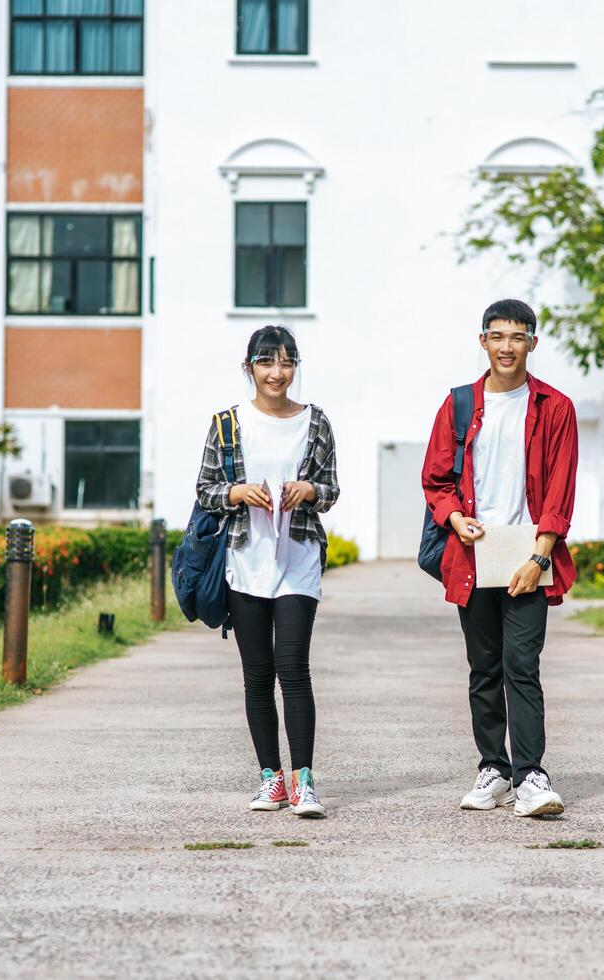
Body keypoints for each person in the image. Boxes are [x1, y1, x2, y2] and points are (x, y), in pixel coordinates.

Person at [421, 298, 578, 817]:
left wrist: (539, 558)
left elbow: (559, 491)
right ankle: (493, 769)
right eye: (497, 336)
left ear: (533, 342)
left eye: (517, 336)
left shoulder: (555, 408)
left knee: (521, 665)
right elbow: (436, 479)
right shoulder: (459, 404)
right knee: (484, 667)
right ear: (482, 341)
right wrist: (453, 519)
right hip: (474, 553)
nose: (506, 346)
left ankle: (532, 775)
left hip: (529, 553)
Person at [195, 325, 339, 818]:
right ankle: (270, 779)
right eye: (266, 363)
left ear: (295, 367)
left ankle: (304, 782)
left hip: (298, 562)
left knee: (293, 668)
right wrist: (236, 493)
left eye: (286, 363)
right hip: (243, 562)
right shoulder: (227, 425)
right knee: (257, 675)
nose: (277, 373)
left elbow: (332, 489)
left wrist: (310, 491)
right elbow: (205, 490)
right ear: (249, 368)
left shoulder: (315, 422)